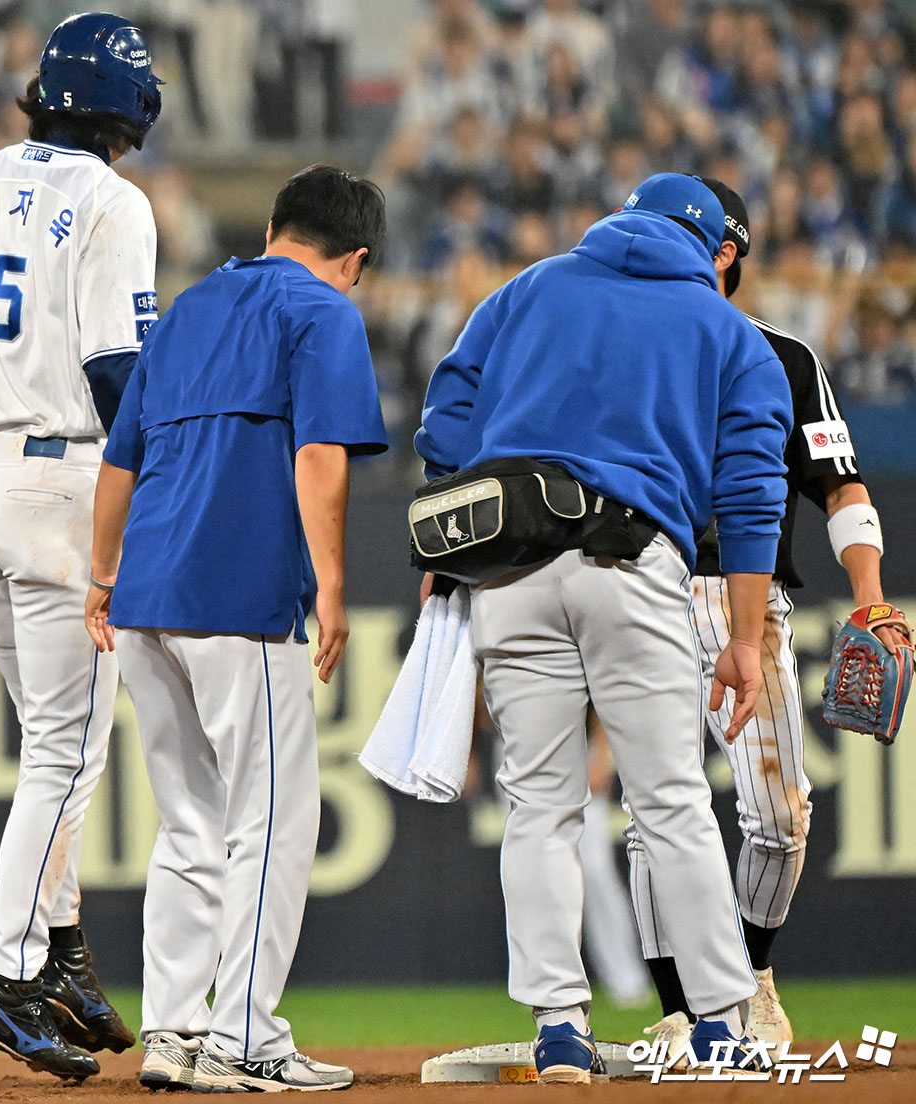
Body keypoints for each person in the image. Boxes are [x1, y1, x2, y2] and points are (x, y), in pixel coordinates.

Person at [415, 173, 791, 1082]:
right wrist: (744, 637)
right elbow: (750, 494)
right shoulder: (727, 332)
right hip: (631, 560)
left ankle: (559, 1030)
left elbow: (446, 410)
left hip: (508, 563)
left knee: (539, 806)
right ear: (710, 248)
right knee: (670, 802)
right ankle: (717, 1024)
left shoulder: (530, 287)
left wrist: (459, 512)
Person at [0, 13, 162, 1083]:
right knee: (65, 748)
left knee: (49, 738)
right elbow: (114, 368)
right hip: (60, 484)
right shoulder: (113, 200)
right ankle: (9, 974)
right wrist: (150, 491)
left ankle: (59, 954)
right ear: (131, 104)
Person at [86, 165, 388, 1093]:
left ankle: (174, 1032)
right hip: (236, 597)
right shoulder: (325, 310)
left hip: (144, 599)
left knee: (189, 826)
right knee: (272, 822)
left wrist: (101, 577)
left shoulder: (185, 310)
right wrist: (332, 586)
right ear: (357, 260)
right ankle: (244, 1039)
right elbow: (319, 453)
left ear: (270, 227)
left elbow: (119, 462)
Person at [631, 177, 902, 1054]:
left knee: (781, 817)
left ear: (725, 254)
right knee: (652, 814)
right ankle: (677, 1006)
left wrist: (869, 595)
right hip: (636, 585)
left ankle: (749, 977)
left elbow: (841, 484)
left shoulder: (781, 358)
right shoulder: (618, 345)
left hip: (743, 594)